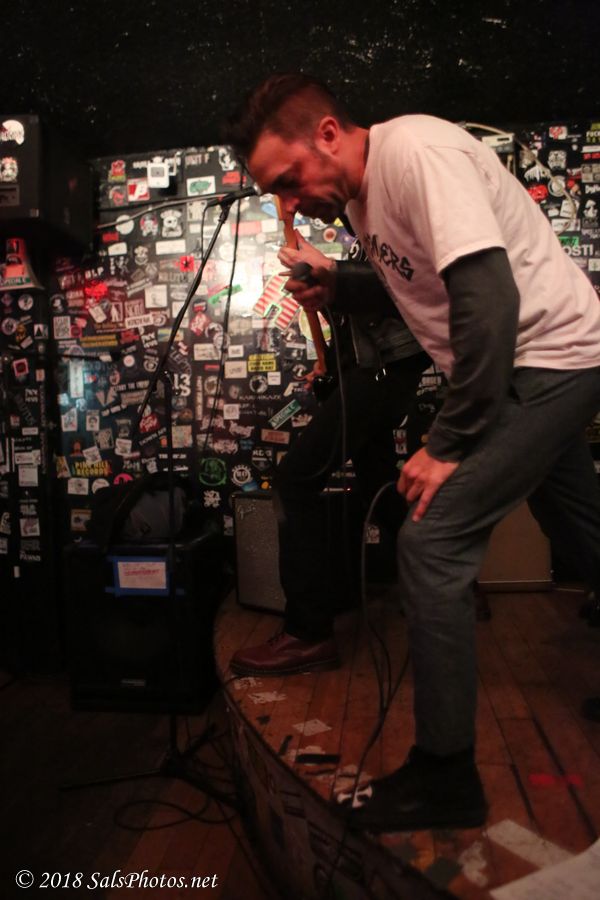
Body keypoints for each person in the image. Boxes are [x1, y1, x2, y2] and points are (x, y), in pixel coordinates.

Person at [223, 74, 600, 832]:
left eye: (288, 178)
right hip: (541, 363)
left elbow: (488, 301)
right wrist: (341, 285)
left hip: (548, 363)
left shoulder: (417, 155)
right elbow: (415, 287)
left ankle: (445, 779)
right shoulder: (364, 200)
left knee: (431, 542)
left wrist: (449, 442)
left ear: (329, 133)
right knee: (581, 530)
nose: (289, 200)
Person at [230, 237, 431, 675]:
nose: (300, 204)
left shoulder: (381, 224)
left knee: (295, 483)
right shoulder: (361, 233)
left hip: (381, 372)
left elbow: (399, 293)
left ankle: (308, 633)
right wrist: (333, 362)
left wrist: (332, 274)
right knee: (380, 484)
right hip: (372, 370)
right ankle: (445, 578)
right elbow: (358, 322)